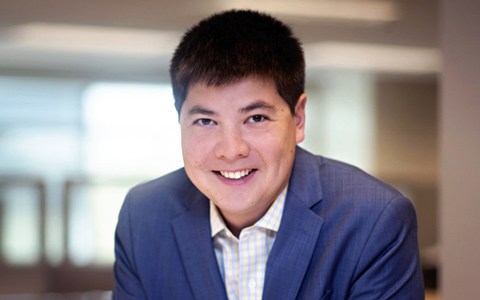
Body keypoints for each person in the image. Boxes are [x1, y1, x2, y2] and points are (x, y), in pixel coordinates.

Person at [113, 10, 425, 300]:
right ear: (179, 119)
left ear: (298, 119)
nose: (231, 150)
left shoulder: (374, 220)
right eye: (205, 121)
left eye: (256, 118)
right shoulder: (142, 217)